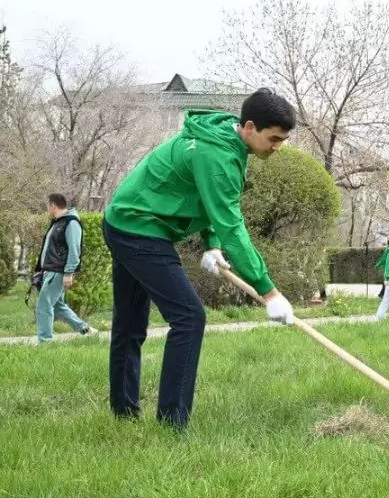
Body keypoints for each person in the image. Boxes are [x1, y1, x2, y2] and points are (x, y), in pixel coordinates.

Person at [102, 88, 297, 430]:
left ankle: (124, 415)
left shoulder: (226, 140)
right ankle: (171, 424)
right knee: (189, 317)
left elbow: (204, 197)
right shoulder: (218, 154)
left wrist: (211, 244)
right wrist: (269, 291)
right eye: (274, 138)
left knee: (131, 325)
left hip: (130, 221)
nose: (278, 147)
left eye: (282, 140)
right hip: (138, 228)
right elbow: (232, 224)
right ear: (249, 127)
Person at [32, 193, 97, 343]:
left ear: (53, 206)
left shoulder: (71, 223)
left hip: (59, 271)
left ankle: (45, 341)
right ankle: (86, 330)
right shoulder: (57, 223)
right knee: (58, 306)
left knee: (44, 304)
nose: (47, 209)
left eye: (48, 206)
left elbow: (75, 250)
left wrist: (69, 273)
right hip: (51, 271)